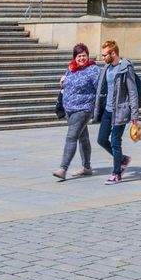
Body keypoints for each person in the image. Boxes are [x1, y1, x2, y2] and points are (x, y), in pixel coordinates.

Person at [93, 39, 141, 185]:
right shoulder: (107, 68)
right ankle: (122, 159)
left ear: (113, 53)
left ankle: (116, 173)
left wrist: (134, 115)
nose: (102, 58)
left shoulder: (125, 69)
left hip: (121, 110)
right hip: (108, 110)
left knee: (115, 141)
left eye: (104, 55)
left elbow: (133, 92)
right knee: (101, 139)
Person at [55, 42, 100, 180]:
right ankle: (87, 167)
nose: (82, 58)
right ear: (75, 57)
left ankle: (63, 168)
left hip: (84, 108)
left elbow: (100, 88)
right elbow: (66, 84)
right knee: (83, 137)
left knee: (71, 137)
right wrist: (62, 82)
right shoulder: (71, 69)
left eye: (84, 55)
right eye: (79, 56)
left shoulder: (93, 69)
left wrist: (98, 107)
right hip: (69, 108)